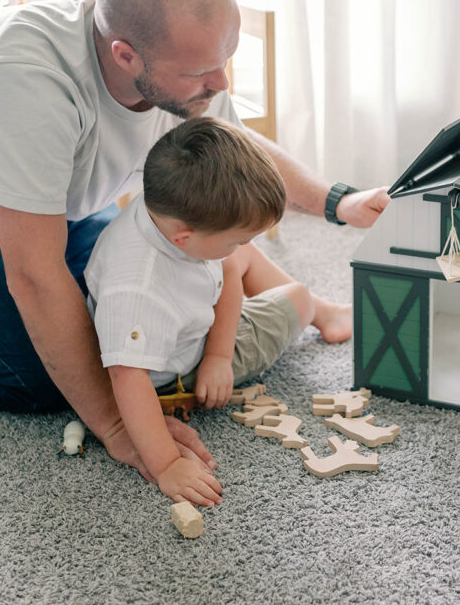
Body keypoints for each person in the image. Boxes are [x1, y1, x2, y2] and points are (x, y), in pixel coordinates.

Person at [0, 0, 389, 483]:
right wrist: (119, 426)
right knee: (41, 375)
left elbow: (228, 142)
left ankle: (305, 303)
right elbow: (33, 275)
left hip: (57, 210)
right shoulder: (25, 84)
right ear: (125, 54)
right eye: (201, 72)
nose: (221, 82)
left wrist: (338, 203)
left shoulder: (181, 61)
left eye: (226, 59)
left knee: (119, 321)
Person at [87, 116, 332, 508]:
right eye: (239, 239)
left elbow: (229, 268)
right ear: (184, 237)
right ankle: (321, 312)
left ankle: (324, 313)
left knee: (235, 255)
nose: (243, 245)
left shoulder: (166, 211)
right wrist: (167, 465)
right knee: (300, 297)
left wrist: (220, 355)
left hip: (200, 333)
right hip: (178, 371)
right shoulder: (138, 290)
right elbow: (126, 376)